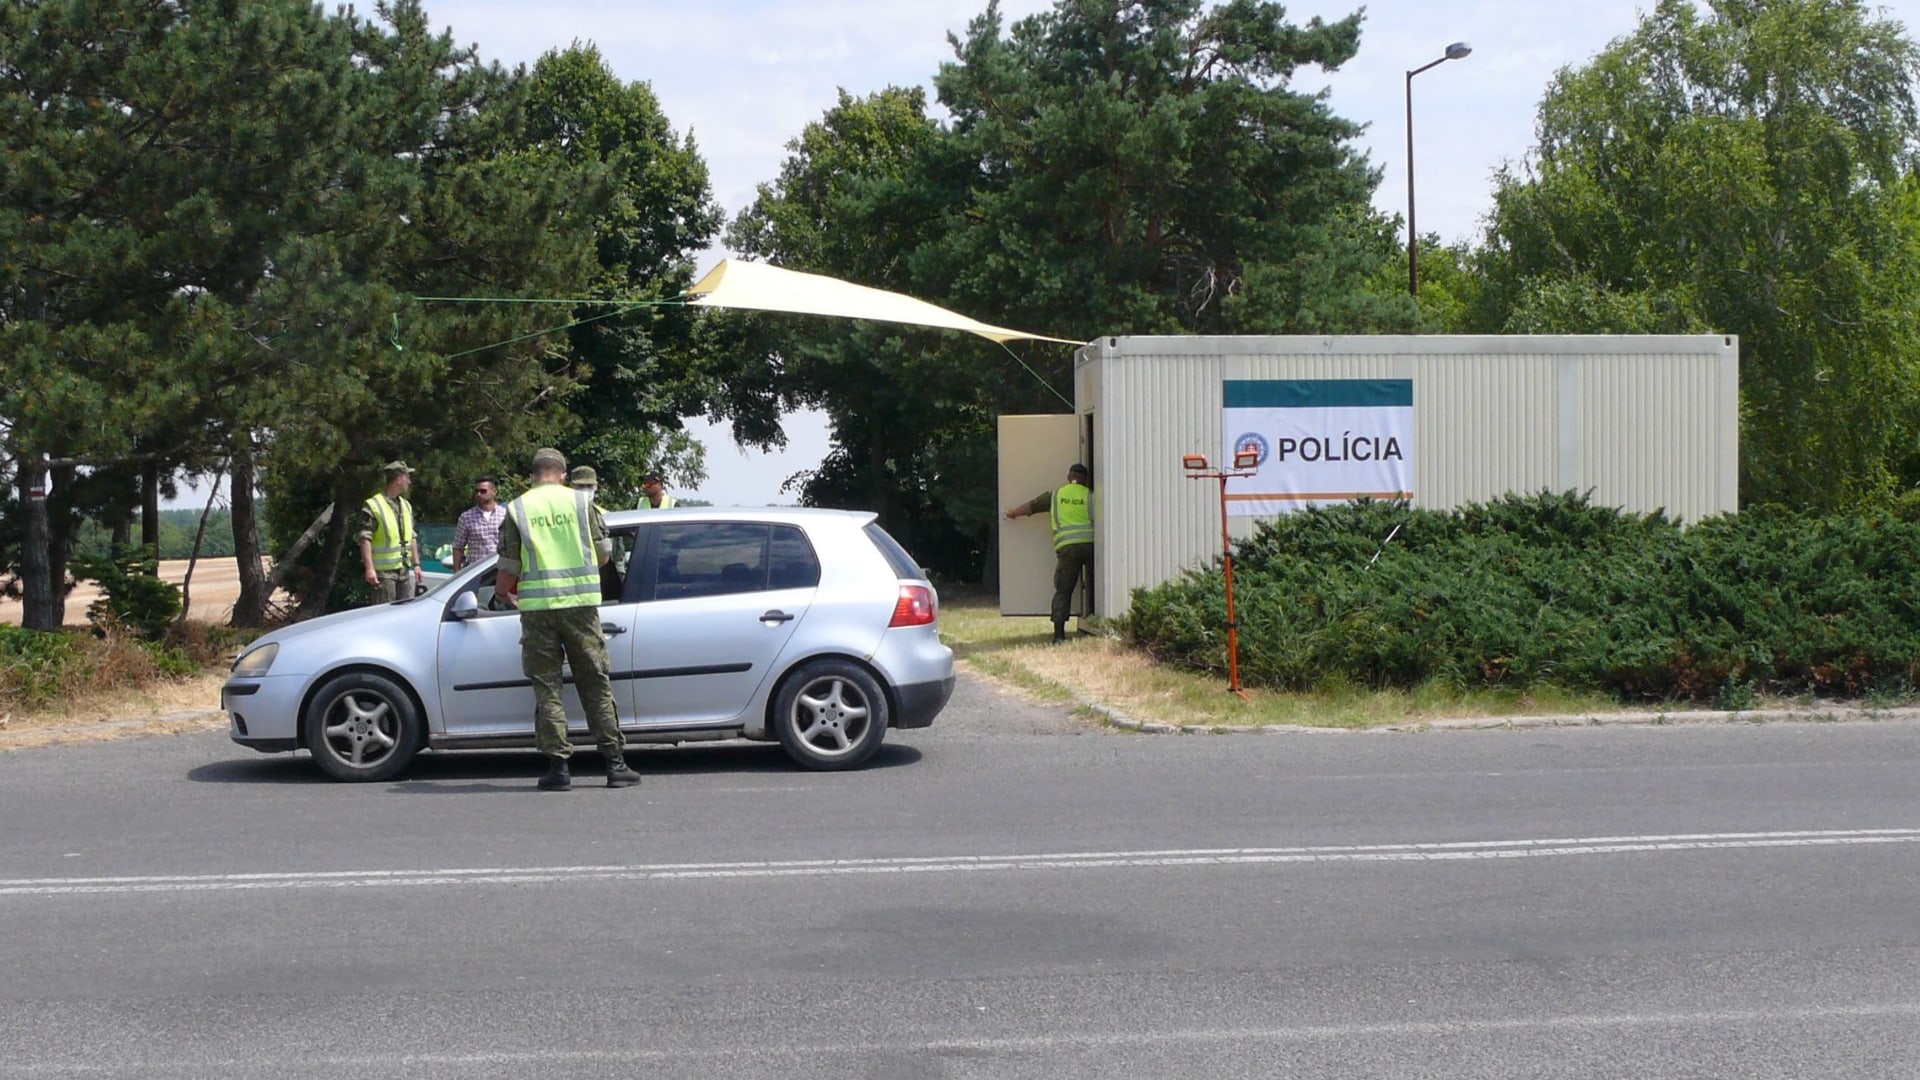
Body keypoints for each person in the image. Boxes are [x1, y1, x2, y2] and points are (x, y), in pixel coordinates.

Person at [495, 447, 639, 791]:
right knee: (595, 682)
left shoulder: (517, 508)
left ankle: (558, 768)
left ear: (532, 476)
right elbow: (605, 555)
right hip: (581, 608)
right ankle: (615, 765)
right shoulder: (580, 503)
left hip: (537, 612)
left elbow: (508, 568)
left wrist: (505, 595)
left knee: (547, 689)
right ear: (562, 474)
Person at [1004, 463, 1094, 643]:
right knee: (1096, 588)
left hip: (1067, 549)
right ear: (1085, 479)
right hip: (1091, 547)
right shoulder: (1091, 496)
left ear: (1069, 476)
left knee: (1063, 590)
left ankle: (1059, 635)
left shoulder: (1054, 496)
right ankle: (1095, 622)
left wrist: (1013, 513)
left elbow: (1031, 506)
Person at [357, 461, 424, 605]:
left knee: (404, 615)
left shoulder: (406, 505)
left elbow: (412, 536)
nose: (409, 482)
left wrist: (416, 564)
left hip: (403, 572)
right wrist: (369, 569)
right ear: (398, 479)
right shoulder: (373, 505)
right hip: (384, 574)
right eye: (407, 477)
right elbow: (364, 539)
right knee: (383, 616)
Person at [449, 475, 506, 572]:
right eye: (477, 491)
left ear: (494, 492)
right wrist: (457, 573)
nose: (479, 494)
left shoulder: (506, 515)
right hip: (475, 573)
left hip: (500, 571)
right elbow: (458, 548)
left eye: (483, 491)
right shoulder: (466, 517)